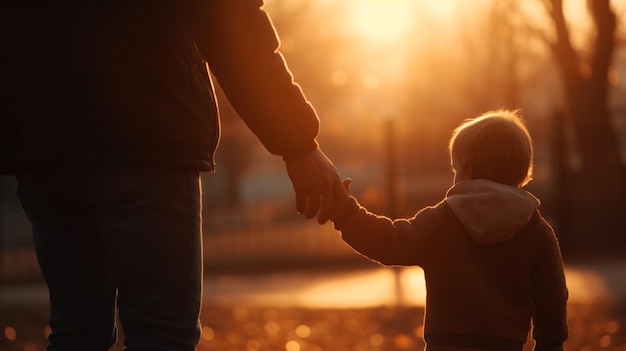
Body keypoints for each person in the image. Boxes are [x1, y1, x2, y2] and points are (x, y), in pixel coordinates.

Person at [1, 1, 339, 350]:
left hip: (45, 150)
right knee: (160, 335)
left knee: (77, 332)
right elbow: (229, 19)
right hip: (145, 136)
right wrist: (296, 142)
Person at [329, 110, 569, 351]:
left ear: (467, 168)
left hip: (445, 344)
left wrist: (347, 215)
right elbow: (553, 294)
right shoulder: (535, 230)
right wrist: (550, 342)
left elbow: (391, 241)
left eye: (455, 170)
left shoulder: (443, 220)